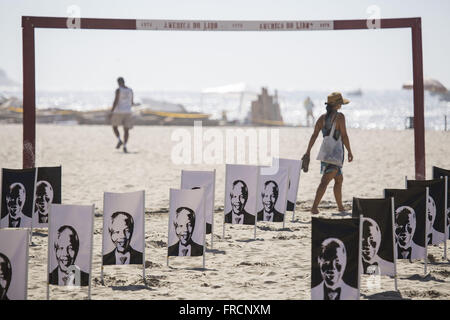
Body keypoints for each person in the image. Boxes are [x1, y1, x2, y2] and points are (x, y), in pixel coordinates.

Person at [302, 92, 354, 214]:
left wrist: (308, 151)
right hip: (335, 155)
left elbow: (314, 135)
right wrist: (350, 151)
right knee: (325, 181)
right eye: (340, 103)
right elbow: (344, 136)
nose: (341, 105)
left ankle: (340, 207)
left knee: (339, 179)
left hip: (325, 154)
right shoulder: (340, 117)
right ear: (337, 105)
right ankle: (314, 207)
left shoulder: (321, 118)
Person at [110, 77, 135, 153]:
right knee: (126, 130)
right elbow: (131, 102)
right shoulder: (130, 90)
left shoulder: (118, 90)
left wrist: (111, 111)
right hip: (128, 111)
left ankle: (119, 140)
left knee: (114, 127)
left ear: (118, 82)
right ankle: (125, 145)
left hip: (118, 111)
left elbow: (116, 101)